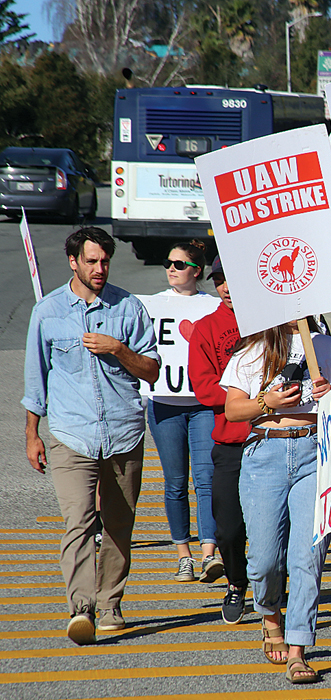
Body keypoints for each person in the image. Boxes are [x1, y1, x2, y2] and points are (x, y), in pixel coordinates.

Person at [23, 227, 160, 645]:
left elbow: (151, 370)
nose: (99, 269)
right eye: (91, 261)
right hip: (71, 434)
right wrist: (32, 434)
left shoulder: (128, 307)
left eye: (105, 262)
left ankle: (110, 603)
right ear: (73, 262)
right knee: (78, 521)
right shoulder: (47, 312)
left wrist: (119, 349)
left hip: (122, 432)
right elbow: (35, 381)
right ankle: (81, 608)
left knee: (119, 523)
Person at [222, 317, 331, 683]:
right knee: (265, 559)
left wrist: (330, 394)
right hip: (264, 452)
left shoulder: (327, 346)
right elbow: (232, 410)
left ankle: (298, 649)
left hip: (315, 451)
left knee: (308, 557)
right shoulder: (252, 352)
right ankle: (270, 615)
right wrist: (266, 402)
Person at [147, 240, 223, 584]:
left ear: (196, 270)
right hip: (164, 406)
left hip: (204, 404)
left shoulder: (214, 305)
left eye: (179, 264)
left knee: (206, 479)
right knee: (175, 482)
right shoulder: (149, 304)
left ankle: (209, 553)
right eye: (168, 263)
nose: (171, 268)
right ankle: (183, 555)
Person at [188, 258, 251, 624]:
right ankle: (236, 583)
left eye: (232, 279)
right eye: (219, 281)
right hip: (229, 442)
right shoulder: (206, 328)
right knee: (227, 527)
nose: (226, 288)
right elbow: (204, 388)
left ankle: (271, 581)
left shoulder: (269, 324)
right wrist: (247, 396)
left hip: (270, 437)